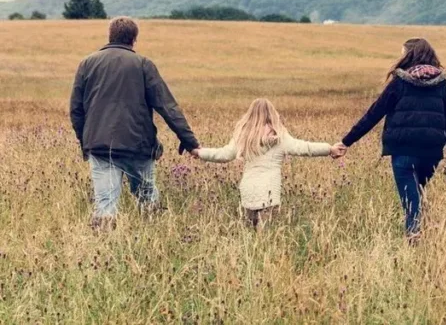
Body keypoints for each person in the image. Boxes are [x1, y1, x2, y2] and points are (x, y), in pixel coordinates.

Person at [70, 16, 199, 229]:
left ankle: (103, 250)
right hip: (138, 147)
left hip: (100, 148)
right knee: (147, 199)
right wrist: (190, 141)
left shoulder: (87, 63)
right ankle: (151, 244)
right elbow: (167, 106)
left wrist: (86, 142)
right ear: (134, 39)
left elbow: (76, 110)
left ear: (109, 36)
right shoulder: (143, 65)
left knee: (105, 204)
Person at [336, 38, 446, 238]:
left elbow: (373, 114)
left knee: (411, 200)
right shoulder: (443, 85)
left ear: (409, 56)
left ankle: (414, 237)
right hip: (431, 152)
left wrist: (346, 141)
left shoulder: (399, 83)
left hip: (402, 149)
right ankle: (423, 231)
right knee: (416, 192)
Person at [190, 98, 344, 230]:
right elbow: (305, 148)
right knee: (264, 237)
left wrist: (199, 152)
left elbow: (223, 154)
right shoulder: (280, 137)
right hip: (269, 192)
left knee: (249, 233)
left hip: (248, 189)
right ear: (272, 114)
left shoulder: (243, 136)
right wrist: (329, 149)